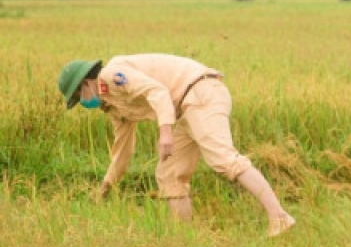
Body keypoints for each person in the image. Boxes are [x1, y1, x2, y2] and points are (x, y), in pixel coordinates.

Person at [57, 55, 295, 236]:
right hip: (183, 110)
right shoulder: (113, 106)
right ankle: (185, 237)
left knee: (223, 159)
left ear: (86, 82)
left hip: (201, 93)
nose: (83, 102)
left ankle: (279, 217)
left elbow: (157, 92)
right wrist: (106, 186)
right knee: (169, 174)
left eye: (80, 96)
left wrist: (165, 132)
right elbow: (123, 152)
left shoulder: (114, 75)